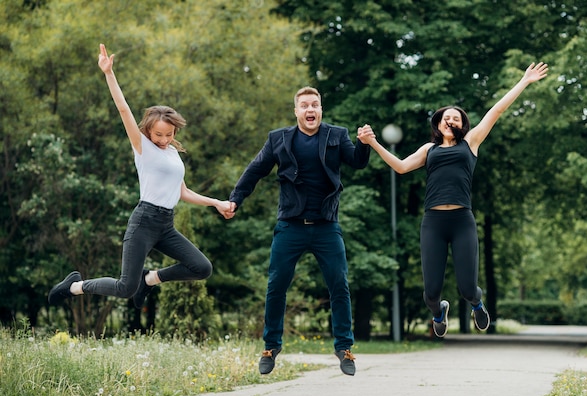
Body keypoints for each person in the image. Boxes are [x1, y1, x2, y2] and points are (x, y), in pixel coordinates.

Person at [358, 62, 549, 337]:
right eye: (446, 117)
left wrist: (523, 82)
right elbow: (400, 167)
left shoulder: (470, 143)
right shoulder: (429, 149)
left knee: (467, 288)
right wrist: (373, 143)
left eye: (456, 118)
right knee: (431, 293)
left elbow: (496, 111)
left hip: (462, 221)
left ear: (462, 125)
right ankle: (439, 313)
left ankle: (478, 305)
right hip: (433, 222)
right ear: (438, 124)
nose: (451, 120)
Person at [48, 44, 233, 308]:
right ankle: (75, 286)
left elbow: (182, 192)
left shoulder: (172, 154)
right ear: (148, 130)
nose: (164, 139)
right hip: (144, 222)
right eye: (158, 134)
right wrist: (109, 74)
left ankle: (150, 280)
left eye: (169, 134)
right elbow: (123, 109)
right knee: (125, 288)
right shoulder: (142, 147)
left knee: (202, 267)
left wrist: (216, 202)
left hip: (166, 225)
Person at [228, 86, 371, 376]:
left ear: (321, 110)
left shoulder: (336, 135)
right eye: (304, 105)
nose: (310, 110)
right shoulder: (278, 139)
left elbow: (358, 162)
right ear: (296, 111)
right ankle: (271, 347)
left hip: (326, 226)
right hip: (290, 226)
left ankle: (344, 348)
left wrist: (364, 143)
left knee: (339, 285)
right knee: (276, 286)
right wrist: (235, 199)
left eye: (315, 105)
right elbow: (255, 170)